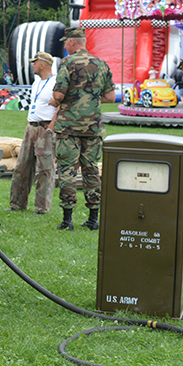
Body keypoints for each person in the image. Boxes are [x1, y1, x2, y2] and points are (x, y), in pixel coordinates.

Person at [49, 28, 115, 231]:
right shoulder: (101, 64)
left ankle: (67, 220)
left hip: (68, 127)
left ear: (71, 43)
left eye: (66, 43)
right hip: (93, 127)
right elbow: (110, 98)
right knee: (91, 169)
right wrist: (90, 100)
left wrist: (59, 100)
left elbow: (59, 95)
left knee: (67, 170)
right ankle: (93, 219)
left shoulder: (67, 63)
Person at [6, 51, 57, 214]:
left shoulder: (56, 82)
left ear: (43, 64)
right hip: (32, 127)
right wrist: (28, 125)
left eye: (34, 63)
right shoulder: (37, 82)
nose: (32, 65)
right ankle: (17, 204)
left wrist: (51, 128)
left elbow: (62, 106)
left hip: (45, 128)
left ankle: (42, 207)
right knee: (22, 166)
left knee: (45, 169)